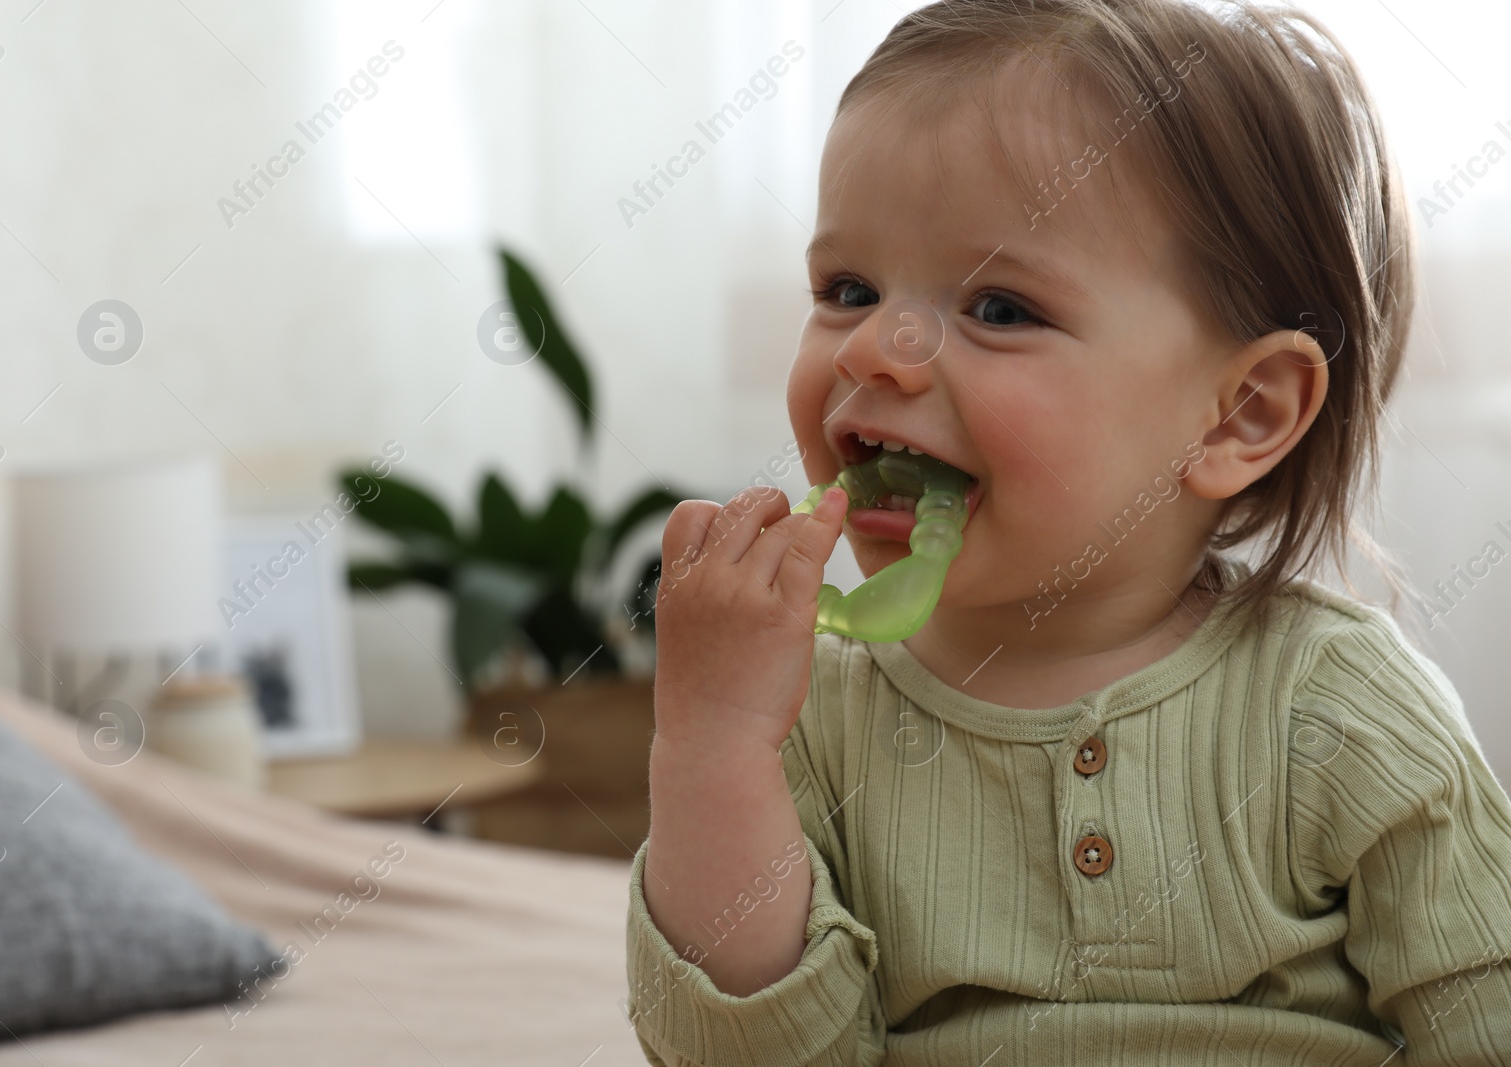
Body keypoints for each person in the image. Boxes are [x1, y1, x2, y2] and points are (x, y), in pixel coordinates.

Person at [626, 1, 1511, 1063]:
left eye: (999, 308)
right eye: (847, 290)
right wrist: (713, 746)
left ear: (1242, 413)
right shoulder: (807, 716)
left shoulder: (1338, 709)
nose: (875, 350)